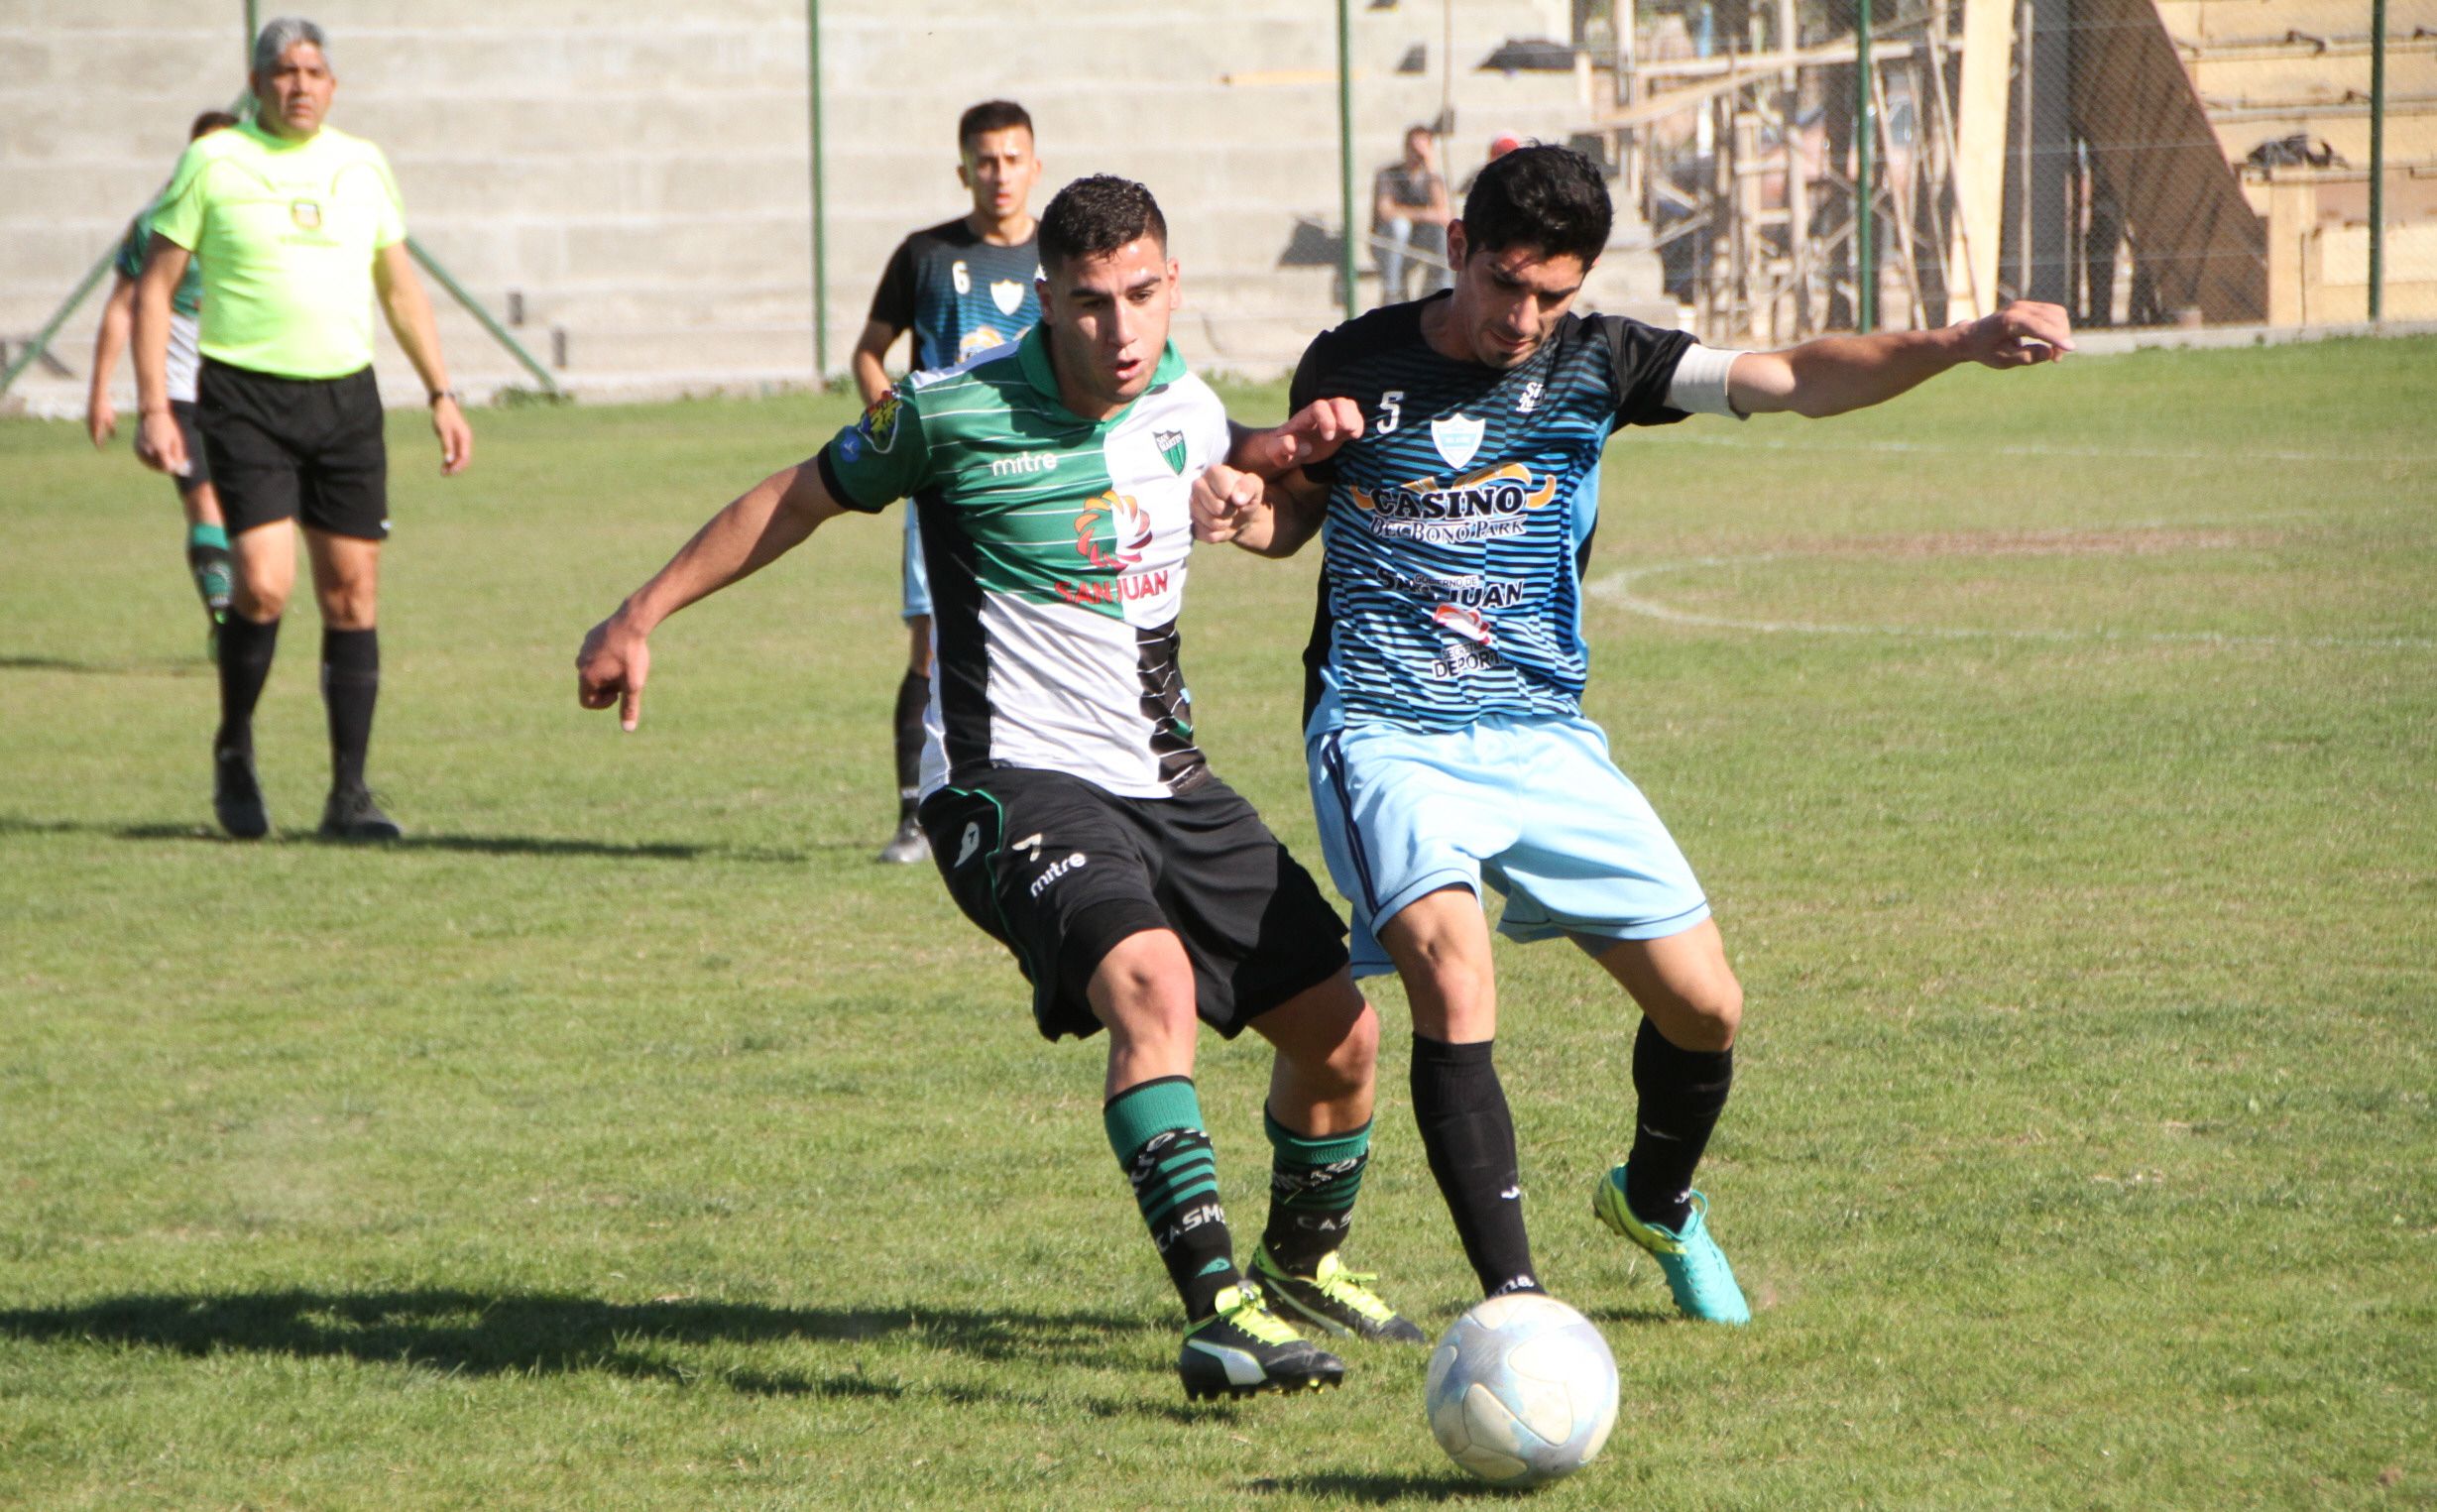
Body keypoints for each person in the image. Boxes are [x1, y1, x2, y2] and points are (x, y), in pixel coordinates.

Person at [576, 175, 1426, 1401]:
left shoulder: (1181, 398)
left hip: (1167, 777)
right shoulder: (947, 410)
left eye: (1141, 295)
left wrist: (1269, 464)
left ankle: (1300, 1265)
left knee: (1343, 1035)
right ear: (1045, 298)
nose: (1120, 329)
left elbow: (1220, 464)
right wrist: (639, 612)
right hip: (1006, 782)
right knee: (1152, 985)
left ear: (1172, 287)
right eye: (1089, 303)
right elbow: (795, 497)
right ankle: (1216, 1312)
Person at [1196, 145, 2072, 1324]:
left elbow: (1791, 376)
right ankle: (1519, 1308)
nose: (1523, 319)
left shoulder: (1601, 361)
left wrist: (1958, 341)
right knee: (1455, 980)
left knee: (1706, 1009)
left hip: (1541, 736)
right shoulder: (1354, 360)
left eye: (1553, 295)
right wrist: (1239, 510)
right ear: (1456, 248)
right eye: (1505, 283)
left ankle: (1655, 1200)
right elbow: (1291, 518)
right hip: (1388, 731)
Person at [133, 17, 472, 842]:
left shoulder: (363, 164)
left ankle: (348, 795)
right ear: (256, 84)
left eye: (314, 71)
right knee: (262, 583)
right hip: (244, 397)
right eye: (284, 71)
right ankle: (234, 748)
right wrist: (152, 405)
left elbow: (400, 289)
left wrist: (441, 391)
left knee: (352, 591)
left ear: (334, 84)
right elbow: (154, 288)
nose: (300, 85)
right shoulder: (215, 160)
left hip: (345, 401)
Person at [850, 100, 1045, 865]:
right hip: (943, 487)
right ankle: (914, 817)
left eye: (1012, 159)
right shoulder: (925, 256)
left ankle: (1036, 798)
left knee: (1040, 636)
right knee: (932, 643)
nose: (999, 174)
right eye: (984, 161)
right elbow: (869, 351)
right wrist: (896, 429)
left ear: (1035, 166)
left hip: (1036, 483)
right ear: (963, 170)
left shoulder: (1057, 257)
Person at [85, 109, 241, 658]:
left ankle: (241, 605)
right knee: (203, 501)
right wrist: (101, 392)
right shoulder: (156, 222)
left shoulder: (258, 219)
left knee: (250, 517)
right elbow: (122, 308)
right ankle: (223, 617)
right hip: (178, 393)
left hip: (245, 387)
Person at [1371, 126, 1451, 303]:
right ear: (1405, 149)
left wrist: (1429, 169)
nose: (1417, 155)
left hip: (1418, 241)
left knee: (1442, 232)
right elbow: (1386, 212)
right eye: (1413, 149)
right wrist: (1426, 214)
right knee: (1400, 226)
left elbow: (1444, 215)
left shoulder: (1433, 178)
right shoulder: (1388, 175)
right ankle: (1392, 294)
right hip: (1388, 242)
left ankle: (1437, 294)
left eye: (1421, 151)